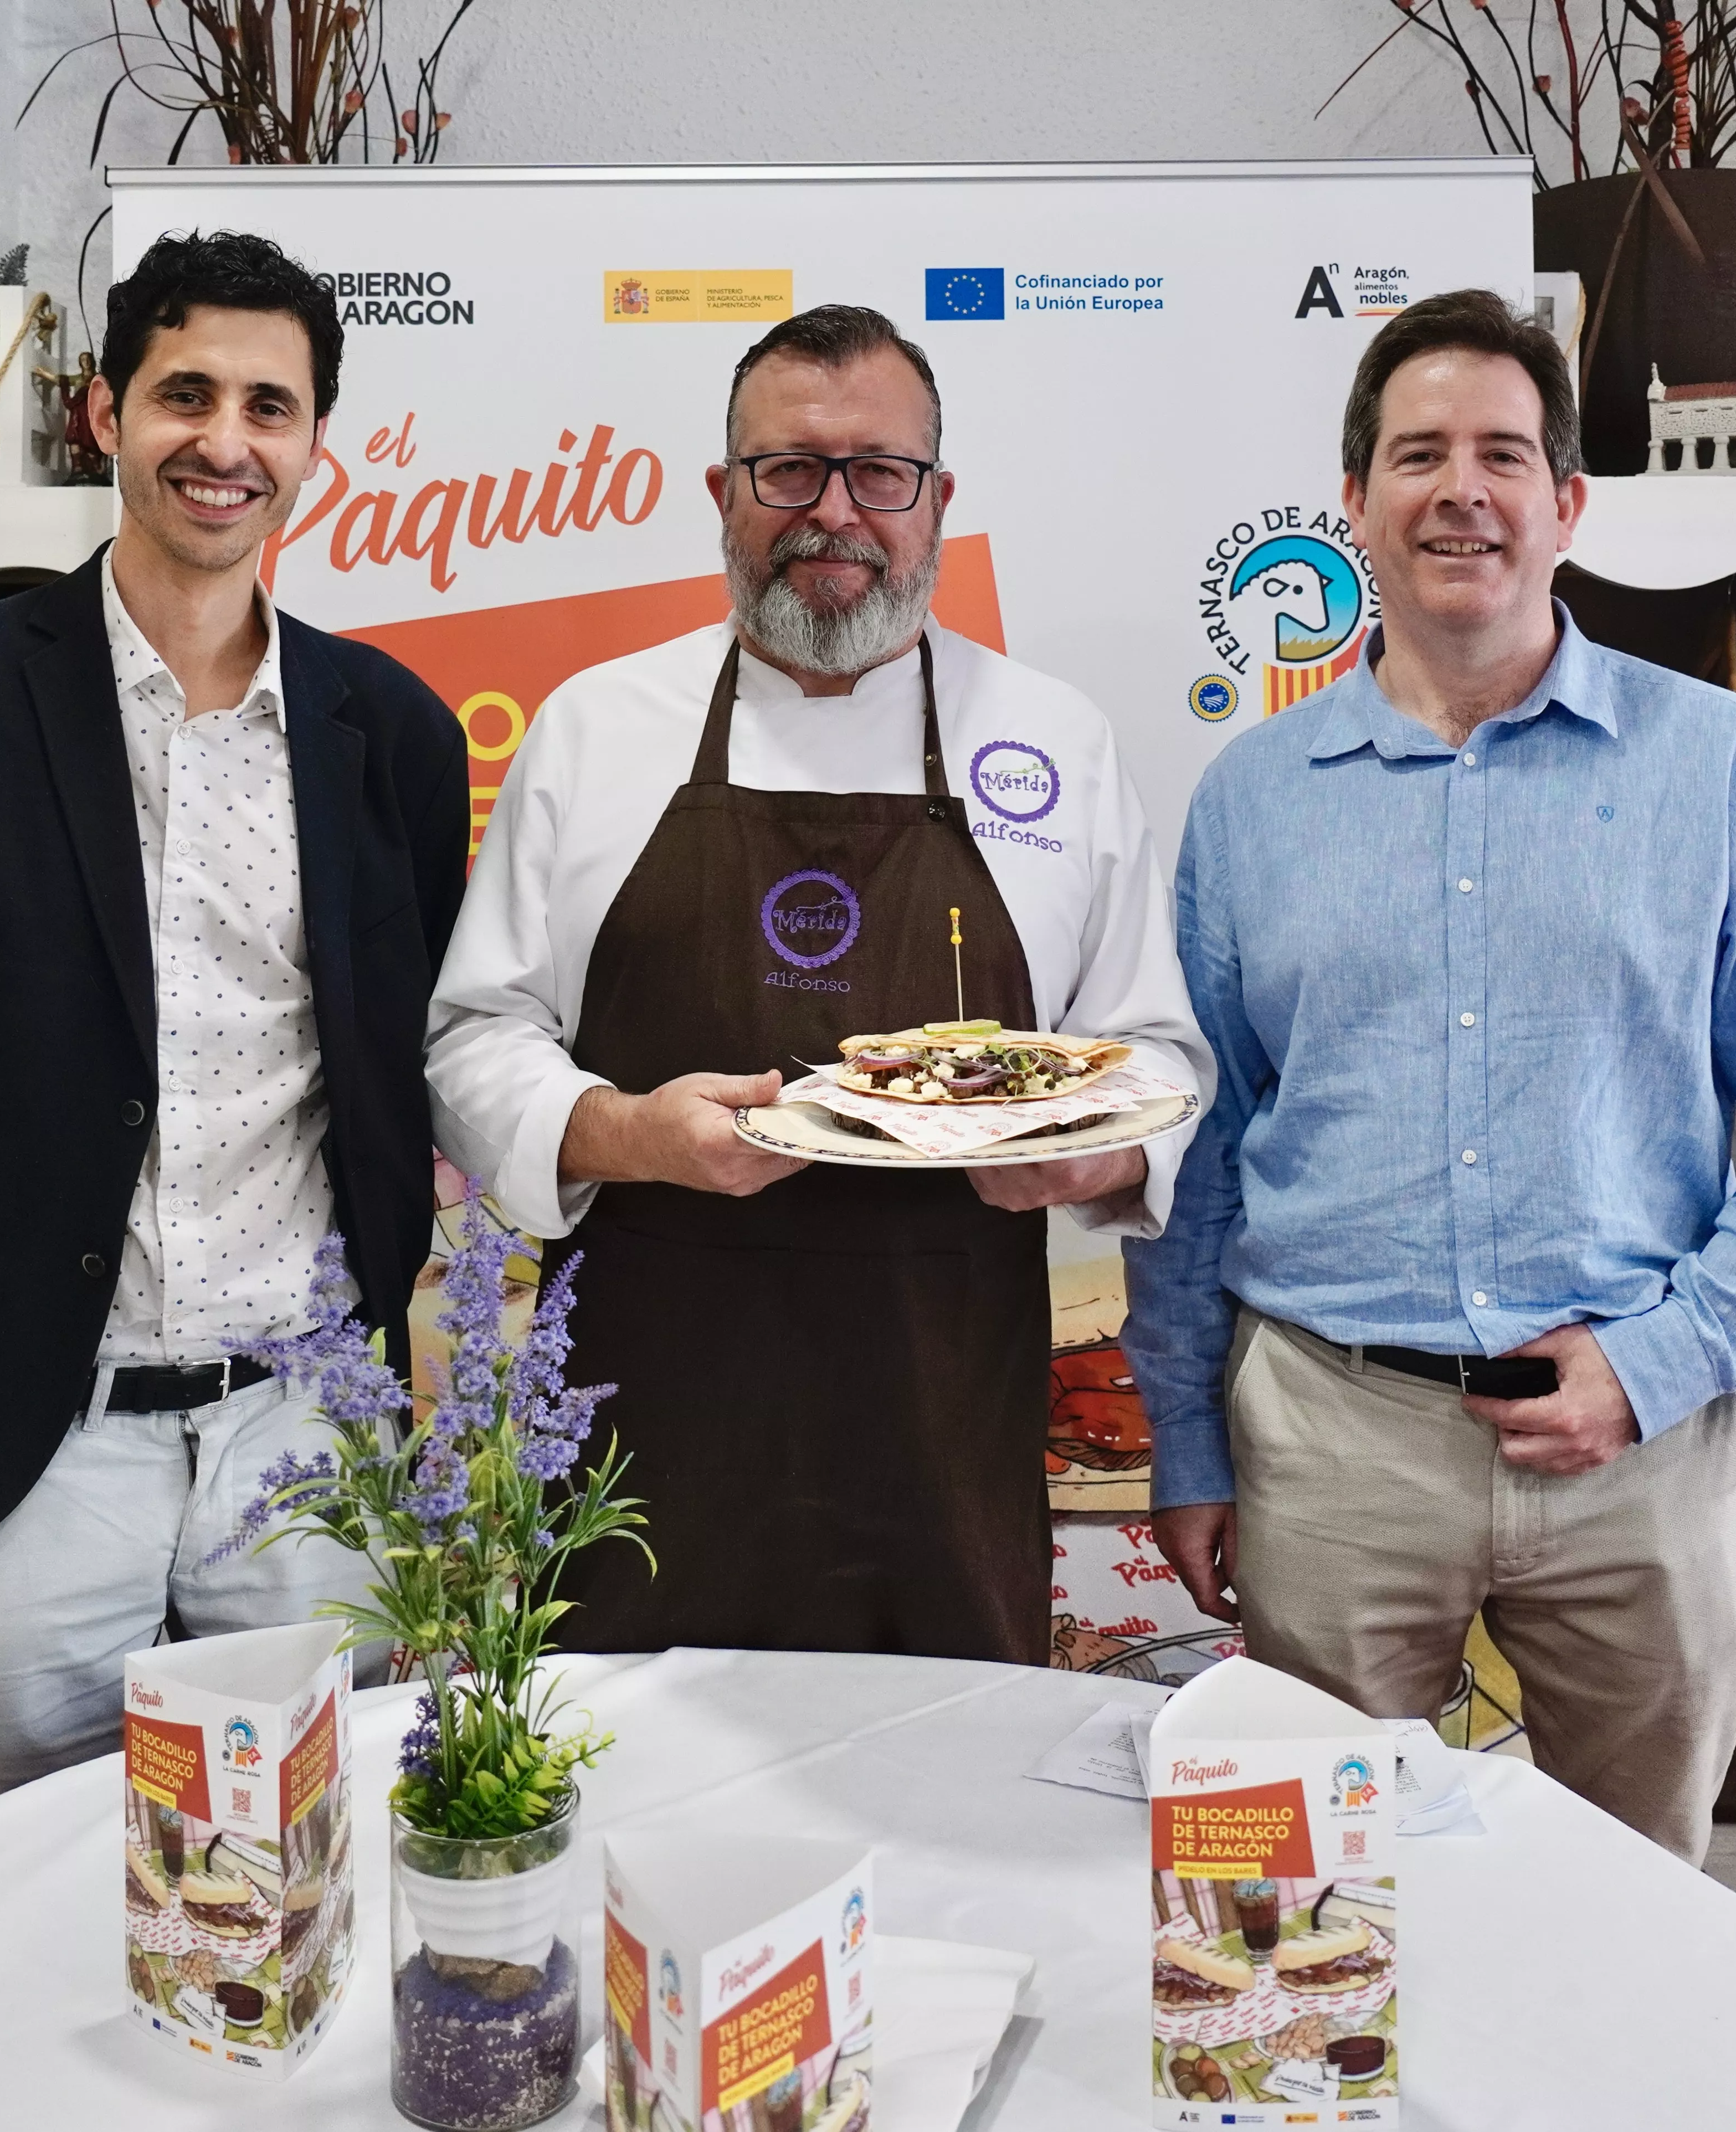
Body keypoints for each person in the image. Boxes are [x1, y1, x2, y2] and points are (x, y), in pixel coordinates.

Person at [1123, 288, 1736, 1863]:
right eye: (1415, 454)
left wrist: (1666, 1358)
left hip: (1639, 1449)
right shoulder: (1249, 802)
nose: (1456, 491)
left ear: (1566, 502)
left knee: (1634, 1911)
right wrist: (1188, 1445)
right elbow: (1196, 1158)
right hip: (1330, 1446)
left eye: (1500, 453)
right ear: (1352, 504)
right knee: (1304, 1919)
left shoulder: (1719, 765)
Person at [0, 231, 469, 1821]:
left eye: (267, 406)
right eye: (183, 394)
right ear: (103, 412)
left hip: (300, 1435)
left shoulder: (393, 736)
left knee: (303, 1874)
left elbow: (400, 1070)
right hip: (36, 1432)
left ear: (316, 447)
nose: (223, 441)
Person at [425, 304, 1205, 1665]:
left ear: (937, 502)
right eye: (788, 471)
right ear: (724, 495)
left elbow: (1154, 1055)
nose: (832, 513)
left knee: (942, 1813)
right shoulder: (596, 728)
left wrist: (1080, 1165)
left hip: (939, 1420)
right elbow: (476, 1034)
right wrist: (622, 1133)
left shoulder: (1052, 742)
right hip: (645, 1421)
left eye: (877, 474)